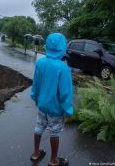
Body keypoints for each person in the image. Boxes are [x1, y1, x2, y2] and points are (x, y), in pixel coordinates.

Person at [30, 33, 73, 166]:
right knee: (55, 132)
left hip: (42, 105)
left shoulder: (40, 62)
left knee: (39, 127)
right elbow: (65, 93)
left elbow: (36, 83)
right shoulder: (63, 68)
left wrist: (35, 97)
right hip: (55, 109)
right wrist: (68, 110)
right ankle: (54, 160)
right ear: (62, 46)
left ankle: (36, 153)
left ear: (47, 44)